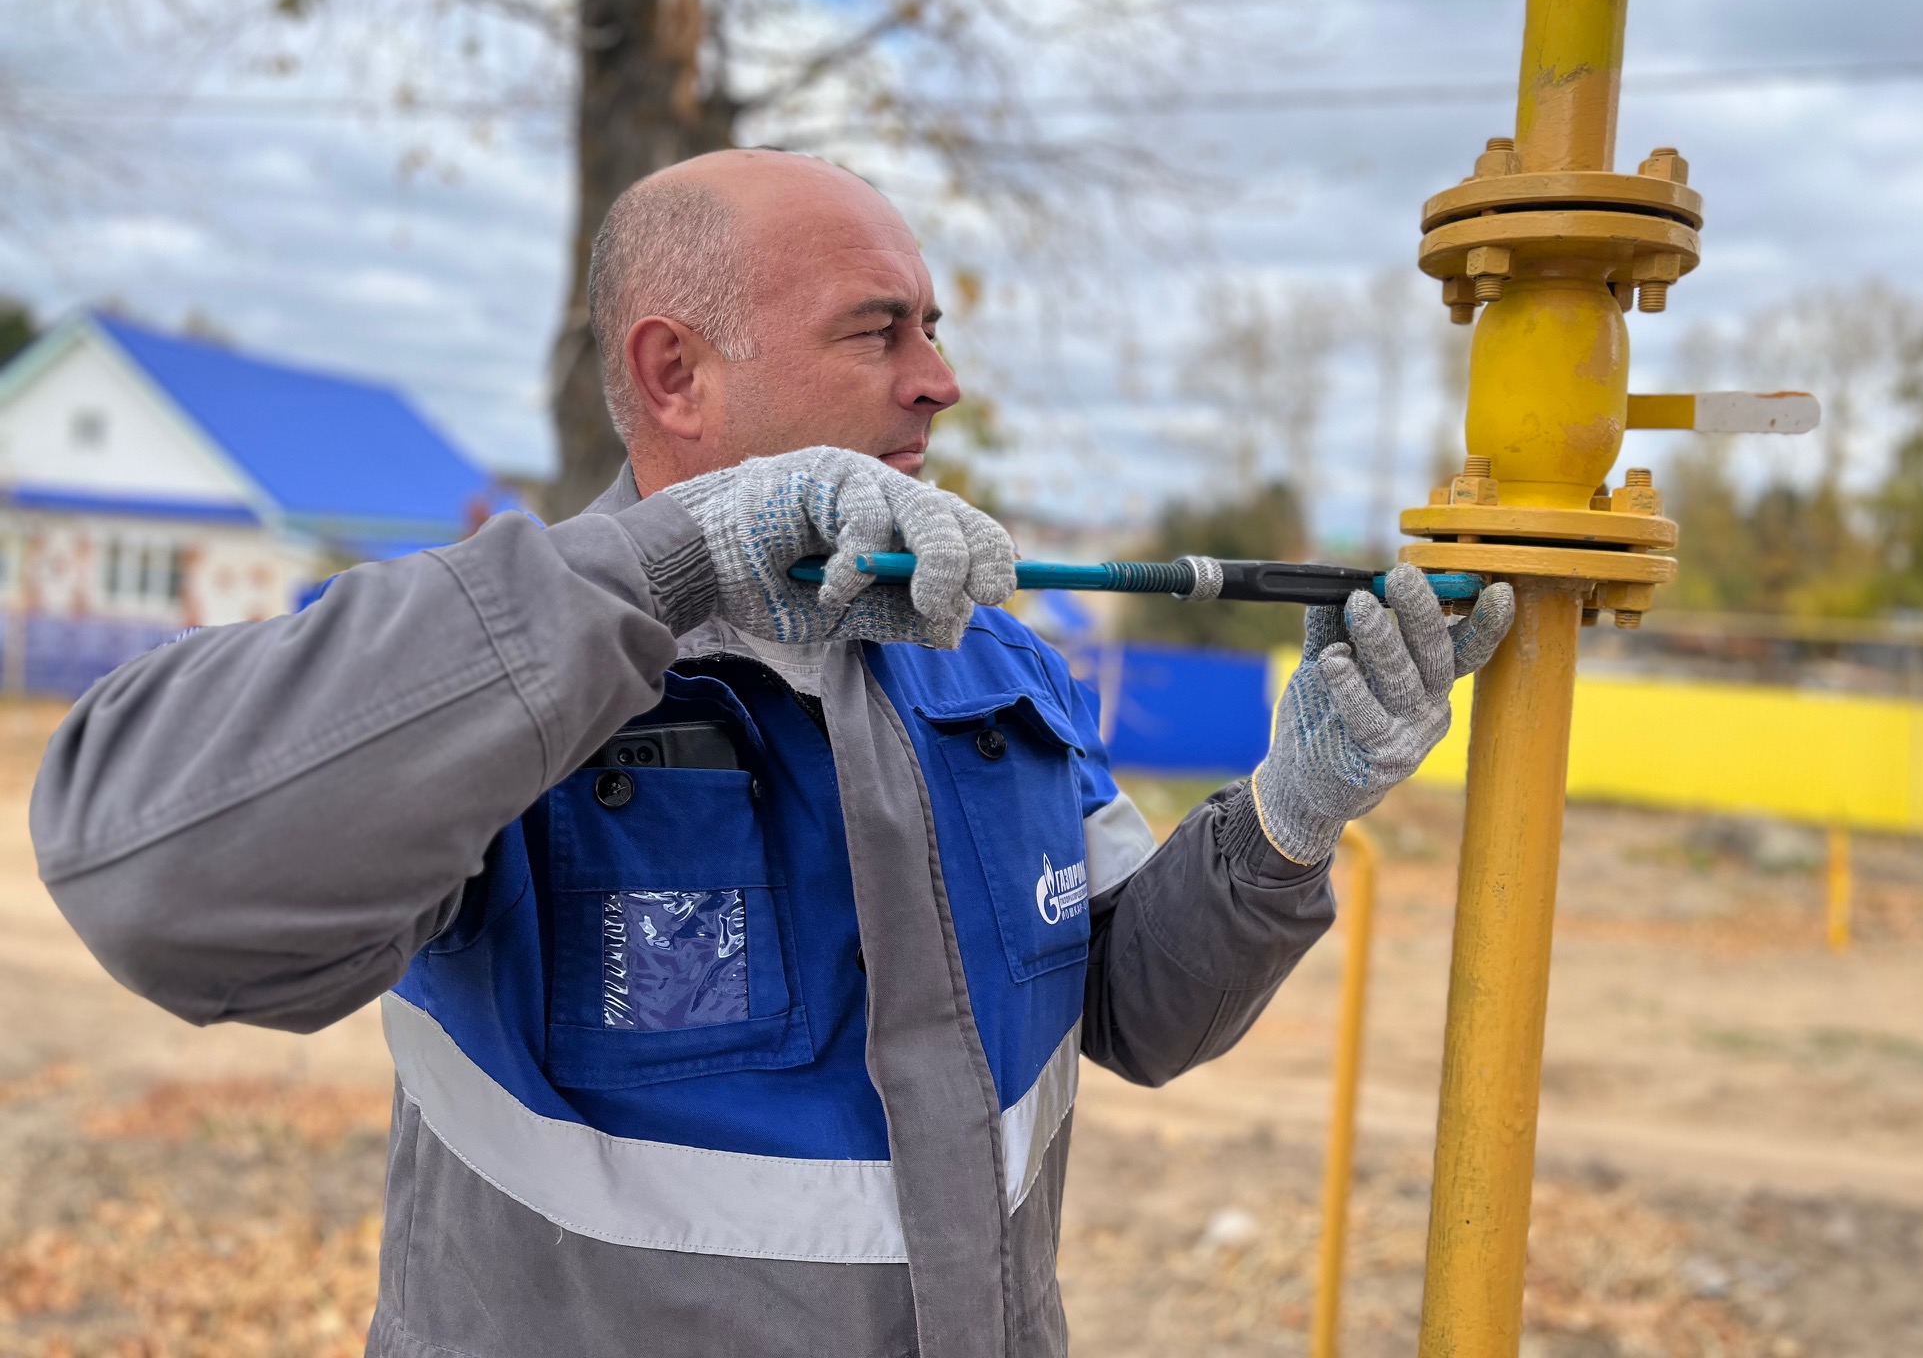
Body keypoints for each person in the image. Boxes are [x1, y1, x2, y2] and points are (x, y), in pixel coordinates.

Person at [30, 149, 1513, 1358]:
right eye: (882, 328)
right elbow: (150, 880)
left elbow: (1138, 1010)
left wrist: (1285, 819)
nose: (939, 380)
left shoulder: (984, 659)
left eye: (933, 329)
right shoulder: (478, 680)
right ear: (675, 374)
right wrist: (677, 566)